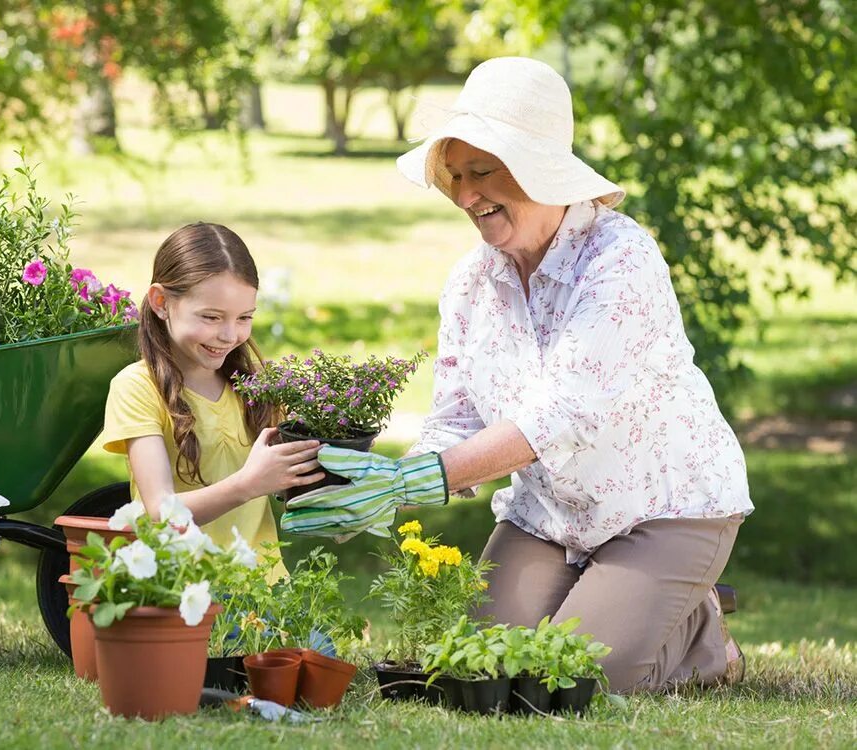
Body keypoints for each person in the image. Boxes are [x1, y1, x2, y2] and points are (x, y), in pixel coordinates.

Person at [281, 57, 754, 692]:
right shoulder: (471, 282)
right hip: (549, 515)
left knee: (572, 679)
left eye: (484, 172)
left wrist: (412, 478)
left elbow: (560, 415)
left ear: (540, 169)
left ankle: (703, 638)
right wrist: (388, 486)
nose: (466, 195)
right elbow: (454, 419)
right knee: (476, 669)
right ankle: (639, 604)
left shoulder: (620, 258)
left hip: (663, 507)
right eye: (456, 176)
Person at [102, 222, 324, 580]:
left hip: (269, 590)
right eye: (211, 317)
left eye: (244, 318)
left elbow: (295, 478)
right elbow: (158, 513)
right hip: (185, 593)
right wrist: (248, 484)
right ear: (161, 302)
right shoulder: (138, 387)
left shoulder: (258, 383)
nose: (229, 334)